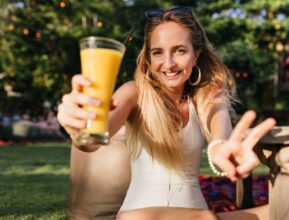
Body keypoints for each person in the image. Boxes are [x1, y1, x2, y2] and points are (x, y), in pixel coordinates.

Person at [57, 6, 276, 220]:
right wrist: (78, 128)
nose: (169, 64)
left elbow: (219, 128)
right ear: (149, 58)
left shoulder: (209, 93)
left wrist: (221, 148)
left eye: (180, 51)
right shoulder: (133, 93)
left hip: (198, 215)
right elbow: (95, 137)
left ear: (196, 54)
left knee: (281, 209)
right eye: (158, 52)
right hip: (141, 216)